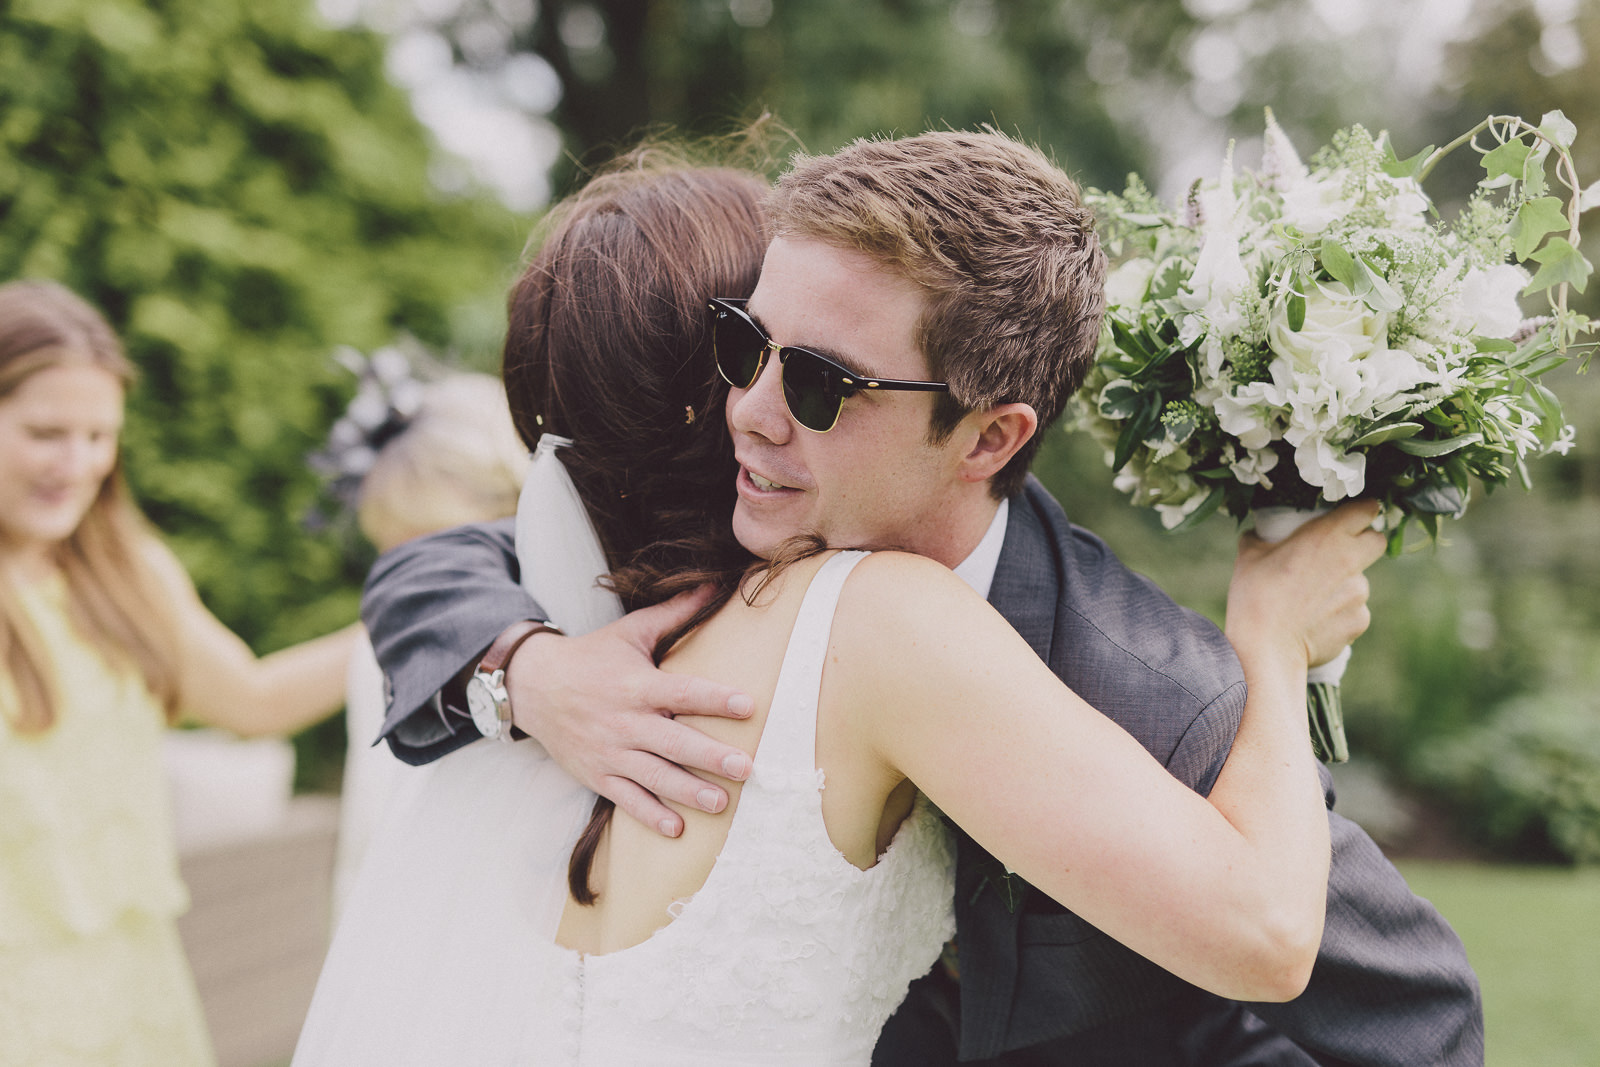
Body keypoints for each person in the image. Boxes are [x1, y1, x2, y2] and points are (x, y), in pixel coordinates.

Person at [363, 130, 1484, 1066]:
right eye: (740, 342)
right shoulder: (753, 521)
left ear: (988, 437)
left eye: (819, 384)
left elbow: (1419, 1021)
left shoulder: (1165, 701)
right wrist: (528, 669)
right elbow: (458, 552)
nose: (750, 408)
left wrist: (1272, 648)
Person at [0, 279, 360, 1066]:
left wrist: (411, 624)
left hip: (133, 997)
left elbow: (254, 699)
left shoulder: (125, 569)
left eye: (100, 436)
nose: (79, 463)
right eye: (46, 432)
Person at [330, 371, 528, 914]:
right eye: (391, 556)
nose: (412, 587)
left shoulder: (545, 636)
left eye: (438, 552)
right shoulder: (376, 645)